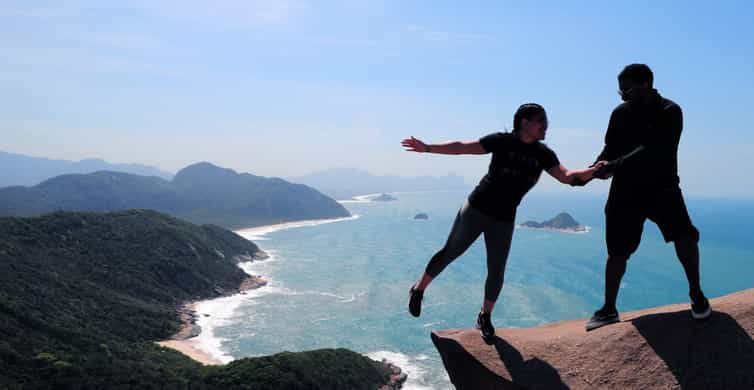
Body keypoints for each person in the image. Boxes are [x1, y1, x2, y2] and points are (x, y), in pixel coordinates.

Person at [402, 103, 601, 339]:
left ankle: (484, 317)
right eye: (541, 121)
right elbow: (462, 148)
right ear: (524, 122)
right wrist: (427, 148)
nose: (545, 126)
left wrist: (595, 171)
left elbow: (567, 177)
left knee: (497, 270)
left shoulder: (543, 154)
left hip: (504, 219)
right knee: (451, 251)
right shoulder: (502, 141)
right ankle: (418, 289)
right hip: (476, 209)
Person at [586, 64, 711, 331]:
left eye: (627, 89)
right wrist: (594, 167)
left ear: (646, 84)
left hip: (662, 186)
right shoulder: (619, 114)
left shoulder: (670, 111)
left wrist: (613, 166)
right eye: (620, 91)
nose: (622, 96)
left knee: (684, 235)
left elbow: (653, 150)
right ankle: (609, 308)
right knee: (617, 252)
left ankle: (697, 295)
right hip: (625, 190)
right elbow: (611, 148)